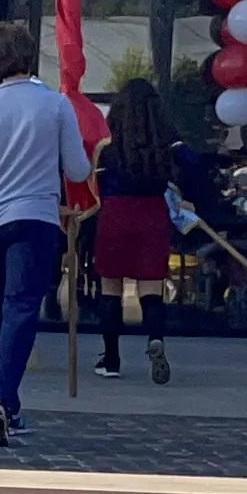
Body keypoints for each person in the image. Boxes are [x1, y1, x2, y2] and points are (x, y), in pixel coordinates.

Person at [0, 20, 93, 449]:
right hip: (34, 216)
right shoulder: (55, 105)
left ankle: (9, 403)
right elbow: (77, 169)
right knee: (21, 308)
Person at [89, 78, 182, 386]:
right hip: (152, 214)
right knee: (151, 287)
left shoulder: (108, 151)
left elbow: (95, 186)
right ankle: (155, 339)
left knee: (111, 287)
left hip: (115, 214)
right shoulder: (165, 150)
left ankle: (111, 358)